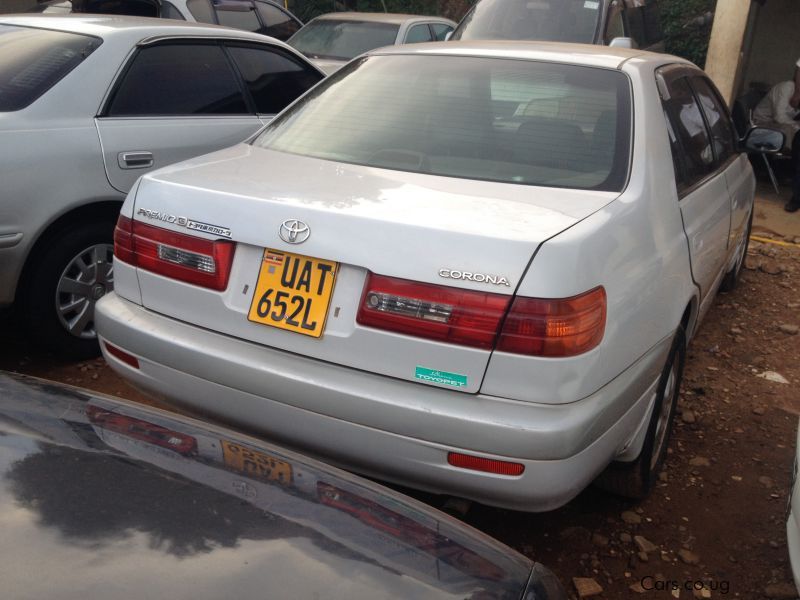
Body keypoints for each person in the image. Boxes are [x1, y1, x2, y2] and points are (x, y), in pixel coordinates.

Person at [753, 58, 800, 212]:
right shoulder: (788, 87)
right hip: (762, 124)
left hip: (781, 125)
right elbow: (780, 117)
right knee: (791, 132)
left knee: (792, 131)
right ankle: (785, 166)